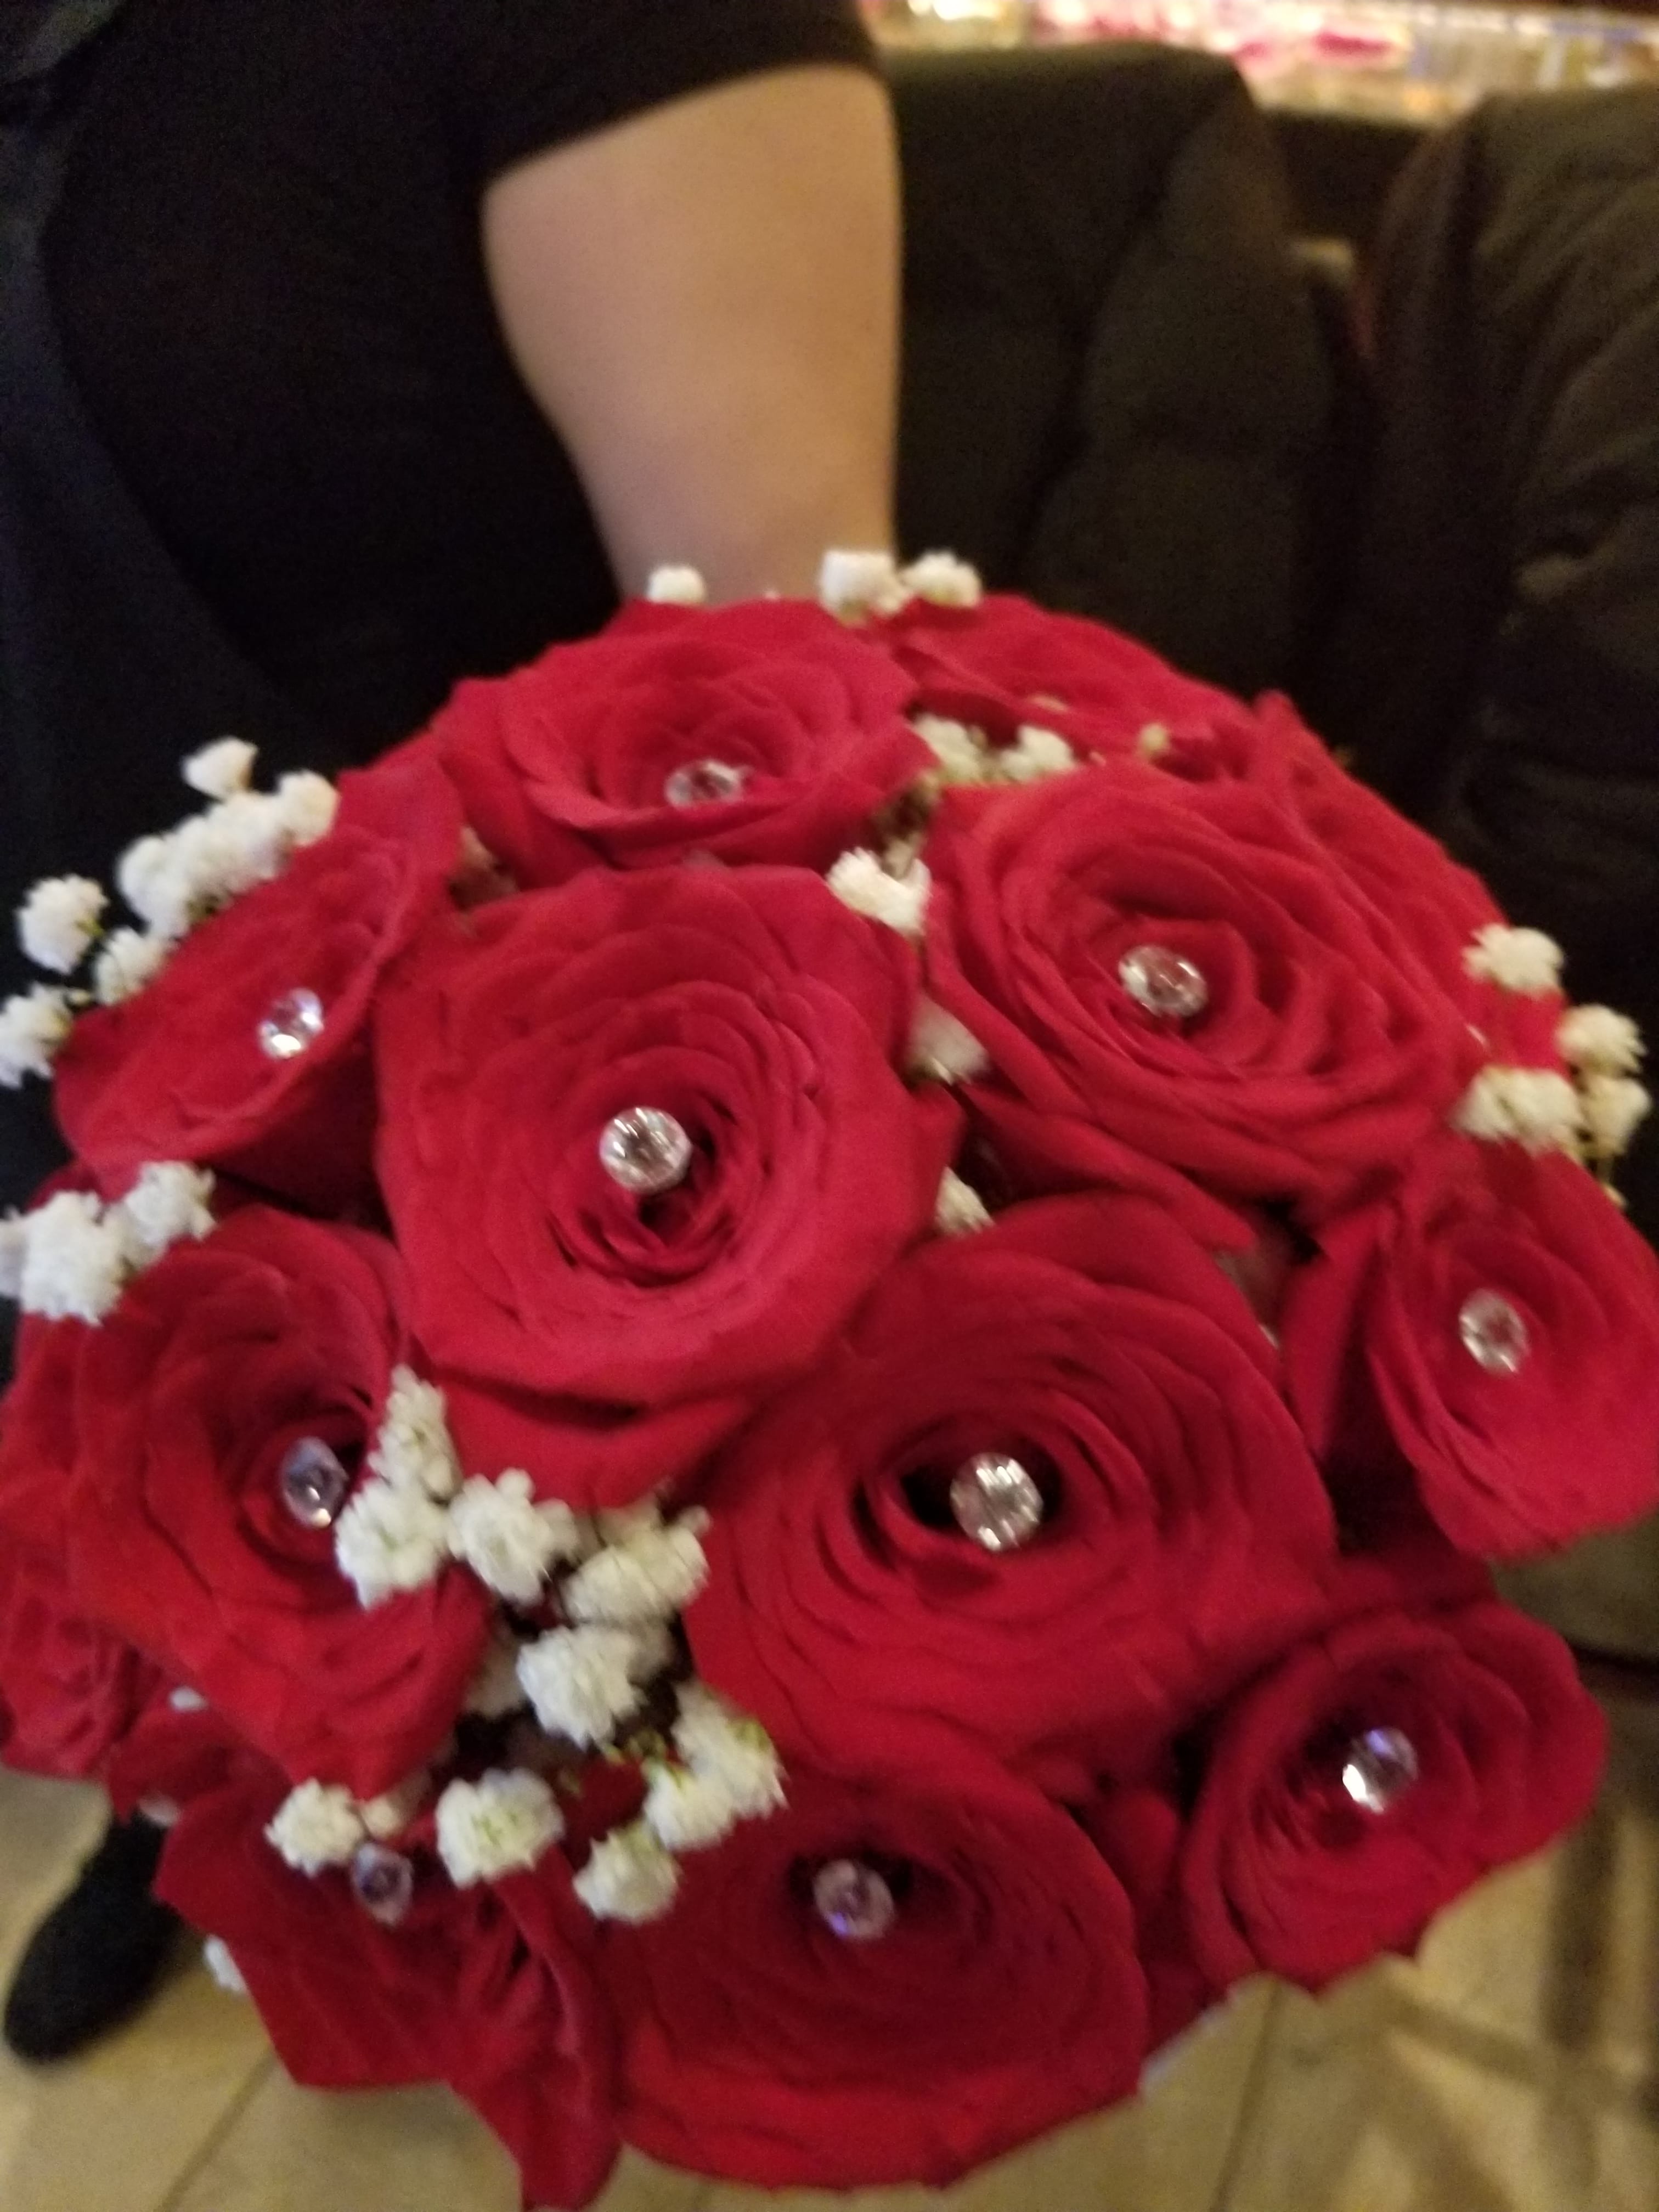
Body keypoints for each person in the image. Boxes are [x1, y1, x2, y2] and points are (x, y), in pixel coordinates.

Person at [1, 0, 900, 2059]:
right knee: (160, 1593)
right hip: (55, 1033)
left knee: (487, 1796)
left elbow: (782, 698)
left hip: (437, 1124)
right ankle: (172, 1819)